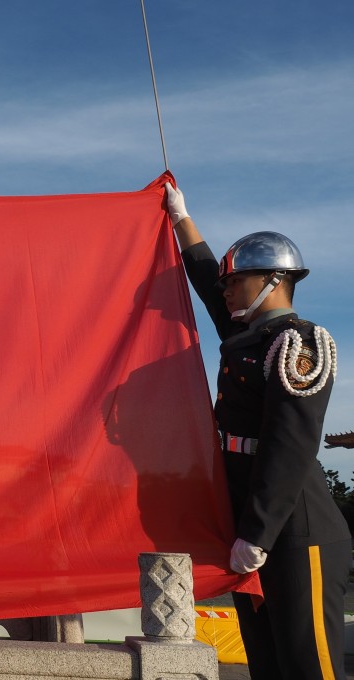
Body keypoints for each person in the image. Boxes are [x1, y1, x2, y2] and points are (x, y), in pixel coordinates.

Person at [165, 183, 348, 680]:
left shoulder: (299, 343)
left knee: (307, 667)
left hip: (293, 532)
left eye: (237, 281)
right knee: (265, 665)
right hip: (251, 527)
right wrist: (182, 219)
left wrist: (257, 531)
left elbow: (290, 445)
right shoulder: (247, 337)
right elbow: (207, 282)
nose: (225, 290)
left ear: (272, 281)